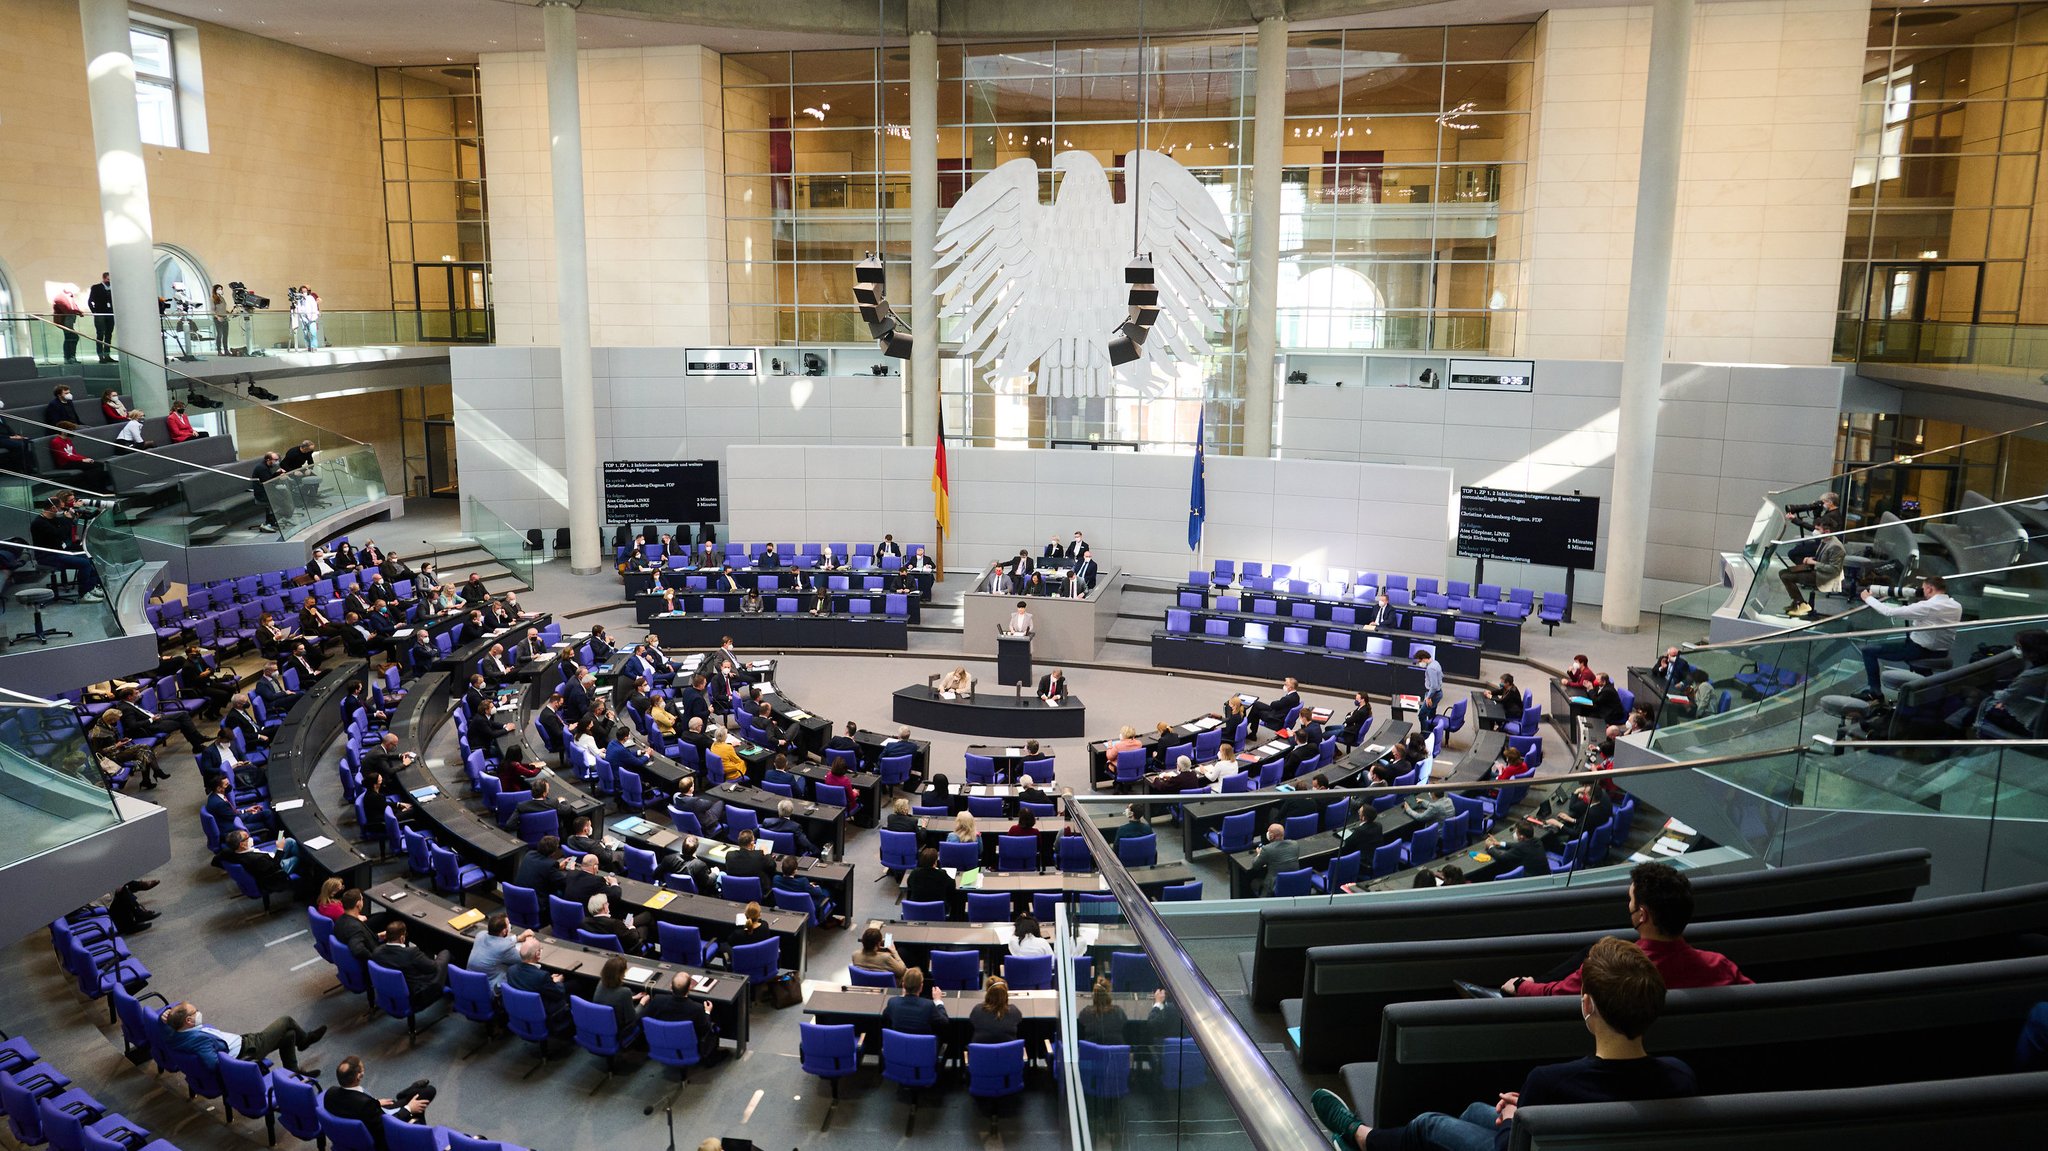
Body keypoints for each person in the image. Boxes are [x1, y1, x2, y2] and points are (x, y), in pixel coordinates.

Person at [1313, 937, 1697, 1151]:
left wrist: (1519, 1119)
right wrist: (1527, 1111)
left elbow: (1516, 1148)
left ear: (1587, 1006)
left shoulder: (1551, 1081)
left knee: (1428, 1124)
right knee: (1473, 1110)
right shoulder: (1680, 1076)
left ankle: (1360, 1138)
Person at [1502, 863, 1751, 997]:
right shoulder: (1720, 966)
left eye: (1631, 899)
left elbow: (1557, 993)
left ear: (1642, 915)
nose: (1628, 904)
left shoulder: (1613, 967)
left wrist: (1522, 986)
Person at [1858, 574, 1964, 700]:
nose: (1922, 591)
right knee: (1911, 653)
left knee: (1868, 651)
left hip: (1921, 650)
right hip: (1942, 651)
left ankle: (1874, 691)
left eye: (1923, 588)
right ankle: (1925, 691)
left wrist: (1868, 598)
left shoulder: (1927, 607)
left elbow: (1889, 612)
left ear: (1930, 589)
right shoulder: (1956, 605)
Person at [164, 1000, 326, 1074]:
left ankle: (293, 1072)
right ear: (189, 1020)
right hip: (248, 1051)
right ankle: (304, 1041)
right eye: (195, 1010)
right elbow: (213, 1065)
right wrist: (240, 1062)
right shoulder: (198, 1043)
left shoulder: (176, 1032)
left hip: (244, 1042)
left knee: (289, 1035)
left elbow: (167, 1021)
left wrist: (163, 1016)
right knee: (286, 1021)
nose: (199, 1011)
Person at [323, 1055, 436, 1151]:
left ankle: (409, 1092)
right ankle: (421, 1134)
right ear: (359, 1076)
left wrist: (376, 1102)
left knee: (412, 1096)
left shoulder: (330, 1093)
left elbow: (352, 1105)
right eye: (362, 1068)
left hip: (371, 1116)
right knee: (428, 1092)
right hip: (382, 1137)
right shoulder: (365, 1105)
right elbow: (386, 1127)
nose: (363, 1069)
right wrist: (409, 1109)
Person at [640, 970, 725, 1065]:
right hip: (688, 1045)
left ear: (671, 987)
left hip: (662, 1042)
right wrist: (707, 1012)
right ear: (690, 988)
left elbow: (642, 1018)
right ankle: (711, 1057)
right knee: (715, 1020)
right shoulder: (696, 1008)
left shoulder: (657, 1000)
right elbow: (705, 1029)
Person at [370, 919, 452, 1010]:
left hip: (392, 992)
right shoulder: (411, 953)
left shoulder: (377, 952)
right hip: (417, 996)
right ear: (402, 938)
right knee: (445, 953)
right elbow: (433, 968)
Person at [1778, 516, 1846, 617]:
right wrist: (1811, 559)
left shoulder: (1836, 546)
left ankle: (1801, 604)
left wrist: (1814, 563)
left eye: (1818, 529)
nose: (1815, 531)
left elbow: (1834, 569)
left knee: (1786, 577)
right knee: (1782, 572)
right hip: (1817, 570)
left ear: (1827, 531)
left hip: (1825, 576)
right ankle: (1797, 602)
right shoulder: (1825, 540)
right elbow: (1823, 557)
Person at [504, 937, 572, 1034]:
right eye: (540, 949)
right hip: (544, 1011)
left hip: (521, 1008)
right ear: (537, 954)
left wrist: (549, 981)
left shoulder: (511, 970)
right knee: (575, 985)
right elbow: (559, 992)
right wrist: (557, 981)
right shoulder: (541, 976)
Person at [880, 967, 947, 1038]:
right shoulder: (928, 1005)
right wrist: (938, 1001)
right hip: (922, 1047)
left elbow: (884, 1021)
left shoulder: (893, 1002)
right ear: (921, 987)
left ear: (903, 985)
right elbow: (944, 1023)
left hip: (898, 1046)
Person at [467, 913, 527, 988]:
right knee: (516, 969)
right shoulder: (504, 947)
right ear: (504, 931)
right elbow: (523, 958)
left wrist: (517, 938)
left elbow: (498, 942)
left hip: (469, 981)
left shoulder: (480, 935)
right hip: (489, 988)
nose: (510, 926)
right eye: (508, 924)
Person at [1248, 823, 1302, 896]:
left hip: (1274, 886)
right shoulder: (1294, 844)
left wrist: (1259, 854)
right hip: (1294, 882)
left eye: (1268, 832)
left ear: (1272, 836)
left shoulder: (1267, 849)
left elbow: (1255, 866)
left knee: (1254, 883)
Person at [903, 846, 959, 917]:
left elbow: (909, 884)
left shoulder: (914, 873)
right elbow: (952, 886)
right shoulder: (941, 874)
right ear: (935, 862)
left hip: (916, 910)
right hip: (937, 910)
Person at [1481, 822, 1550, 878]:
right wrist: (1499, 843)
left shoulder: (1520, 847)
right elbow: (1516, 845)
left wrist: (1490, 847)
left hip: (1532, 880)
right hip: (1546, 875)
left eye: (1517, 833)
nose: (1515, 834)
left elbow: (1501, 858)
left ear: (1521, 837)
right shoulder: (1537, 841)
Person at [969, 978, 1023, 1046]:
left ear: (987, 993)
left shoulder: (977, 1010)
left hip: (982, 1055)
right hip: (1008, 1055)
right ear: (1006, 994)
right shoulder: (1014, 1011)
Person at [1077, 977, 1128, 1045]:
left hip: (1091, 1054)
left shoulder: (1085, 1012)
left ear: (1094, 994)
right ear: (1109, 994)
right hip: (1114, 1054)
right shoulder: (1119, 1013)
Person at [53, 284, 85, 362]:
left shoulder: (70, 297)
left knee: (69, 338)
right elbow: (67, 309)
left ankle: (69, 357)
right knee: (72, 337)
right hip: (65, 321)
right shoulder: (60, 298)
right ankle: (70, 357)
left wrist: (78, 311)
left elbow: (73, 307)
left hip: (69, 320)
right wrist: (78, 311)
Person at [87, 272, 115, 360]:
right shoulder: (96, 288)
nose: (109, 281)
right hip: (100, 314)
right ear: (104, 278)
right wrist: (95, 312)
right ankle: (100, 355)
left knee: (108, 334)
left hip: (110, 314)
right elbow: (90, 301)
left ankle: (107, 355)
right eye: (108, 279)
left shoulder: (113, 288)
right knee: (100, 334)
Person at [1417, 650, 1445, 726]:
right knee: (1431, 715)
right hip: (1437, 693)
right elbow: (1442, 675)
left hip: (1433, 694)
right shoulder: (1436, 662)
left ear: (1423, 659)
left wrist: (1428, 697)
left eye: (1420, 661)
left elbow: (1434, 686)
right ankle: (1431, 732)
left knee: (1422, 715)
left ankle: (1424, 734)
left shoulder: (1430, 668)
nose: (1420, 663)